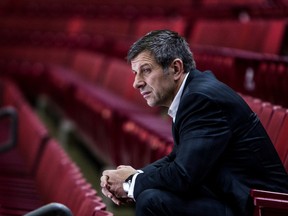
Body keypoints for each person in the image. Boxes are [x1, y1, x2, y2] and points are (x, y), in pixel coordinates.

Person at [100, 30, 288, 216]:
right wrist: (134, 176)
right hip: (231, 197)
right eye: (135, 73)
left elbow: (183, 174)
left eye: (146, 70)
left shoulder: (201, 99)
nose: (137, 83)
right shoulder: (193, 93)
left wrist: (129, 184)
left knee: (153, 201)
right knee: (152, 196)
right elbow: (177, 158)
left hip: (259, 207)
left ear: (175, 68)